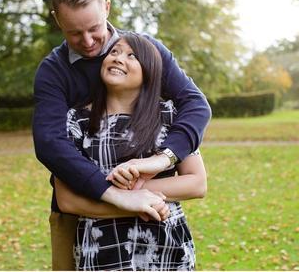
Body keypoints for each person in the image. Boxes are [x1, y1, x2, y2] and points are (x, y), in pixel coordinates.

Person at [32, 0, 211, 270]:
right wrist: (117, 196)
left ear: (107, 8)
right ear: (57, 20)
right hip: (84, 218)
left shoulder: (146, 51)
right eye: (74, 32)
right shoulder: (54, 72)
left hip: (159, 232)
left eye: (94, 28)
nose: (88, 41)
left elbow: (195, 104)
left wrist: (160, 161)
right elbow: (51, 145)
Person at [55, 33, 207, 270]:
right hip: (102, 254)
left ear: (150, 70)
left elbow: (197, 183)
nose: (117, 58)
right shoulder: (76, 121)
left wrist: (131, 193)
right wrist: (131, 201)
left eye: (131, 56)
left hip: (167, 252)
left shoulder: (170, 115)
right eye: (113, 52)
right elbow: (67, 200)